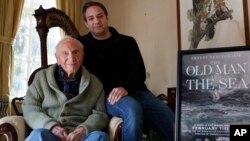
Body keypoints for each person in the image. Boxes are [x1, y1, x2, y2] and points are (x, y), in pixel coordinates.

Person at [78, 1, 175, 141]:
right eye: (91, 18)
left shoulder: (127, 41)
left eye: (100, 16)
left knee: (171, 120)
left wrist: (125, 87)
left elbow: (140, 73)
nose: (97, 21)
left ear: (107, 18)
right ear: (86, 23)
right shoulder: (81, 45)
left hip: (137, 91)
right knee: (132, 109)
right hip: (108, 96)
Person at [22, 36, 109, 141]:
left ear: (82, 55)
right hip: (49, 133)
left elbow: (100, 115)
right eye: (65, 53)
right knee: (38, 134)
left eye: (75, 52)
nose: (71, 58)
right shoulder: (41, 77)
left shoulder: (95, 82)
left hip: (81, 137)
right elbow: (29, 108)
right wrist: (52, 127)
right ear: (57, 58)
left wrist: (83, 130)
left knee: (101, 137)